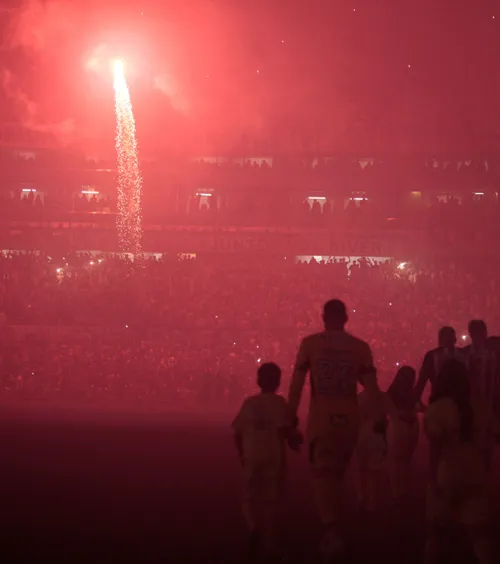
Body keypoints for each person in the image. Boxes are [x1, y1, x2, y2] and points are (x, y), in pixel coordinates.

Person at [288, 299, 377, 560]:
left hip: (322, 420)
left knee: (322, 476)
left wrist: (289, 419)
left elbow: (296, 385)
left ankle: (332, 531)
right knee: (337, 475)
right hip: (350, 420)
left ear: (323, 317)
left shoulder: (311, 344)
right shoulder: (360, 348)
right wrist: (380, 419)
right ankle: (338, 528)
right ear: (346, 318)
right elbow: (371, 389)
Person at [423, 359, 499, 564]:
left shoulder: (437, 408)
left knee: (436, 534)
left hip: (447, 470)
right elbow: (494, 436)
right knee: (480, 536)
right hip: (475, 471)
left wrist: (432, 478)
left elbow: (435, 449)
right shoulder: (480, 406)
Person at [232, 362, 302, 559]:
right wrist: (297, 439)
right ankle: (270, 542)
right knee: (273, 499)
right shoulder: (280, 404)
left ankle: (254, 527)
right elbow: (286, 429)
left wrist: (243, 456)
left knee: (249, 497)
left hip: (251, 454)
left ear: (258, 380)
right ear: (278, 382)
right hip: (273, 455)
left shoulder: (249, 403)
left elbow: (237, 432)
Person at [462, 320, 498, 469]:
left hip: (488, 405)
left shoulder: (494, 354)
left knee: (484, 447)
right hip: (474, 405)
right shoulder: (464, 354)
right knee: (476, 446)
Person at [386, 366, 420, 503]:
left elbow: (389, 409)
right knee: (403, 460)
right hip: (405, 427)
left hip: (400, 427)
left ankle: (398, 491)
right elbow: (418, 406)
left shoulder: (393, 391)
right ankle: (400, 490)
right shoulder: (410, 392)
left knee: (399, 461)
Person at [414, 326, 461, 404]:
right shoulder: (462, 354)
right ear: (455, 339)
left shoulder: (432, 355)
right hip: (458, 402)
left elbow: (422, 380)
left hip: (439, 402)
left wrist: (417, 401)